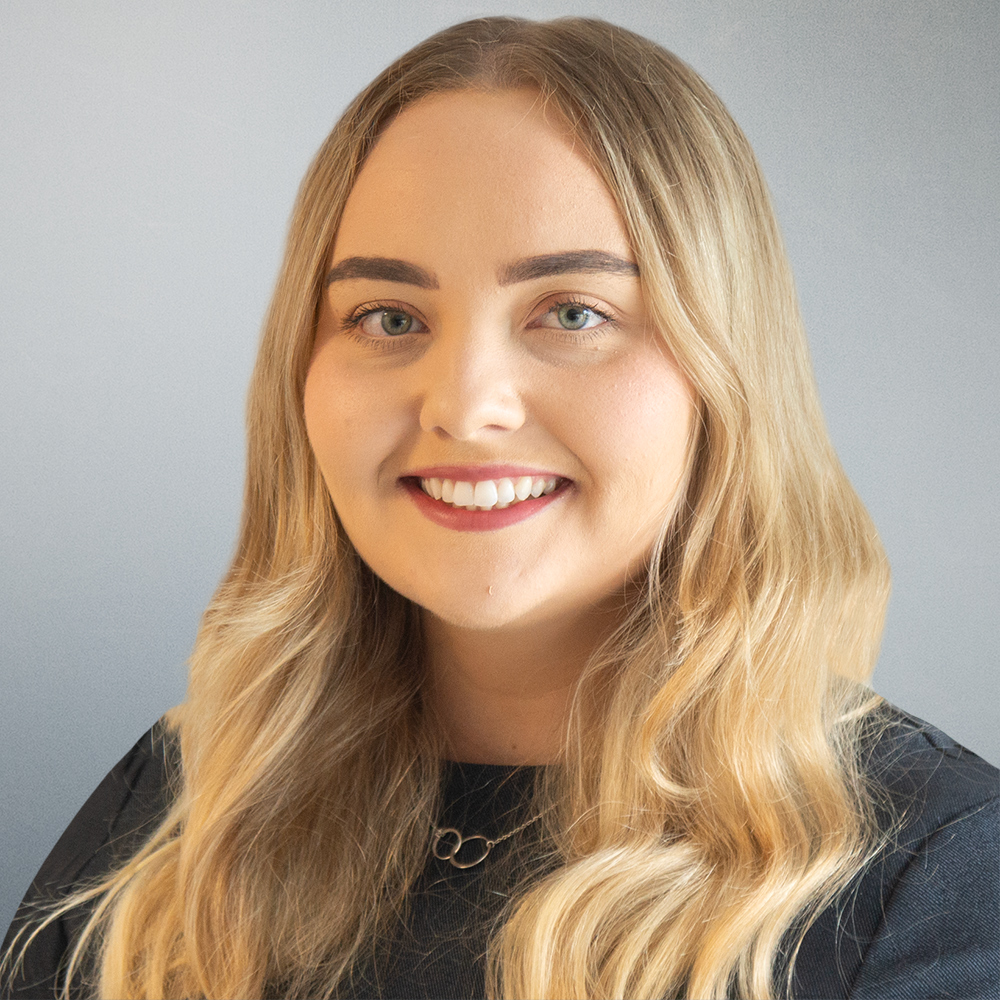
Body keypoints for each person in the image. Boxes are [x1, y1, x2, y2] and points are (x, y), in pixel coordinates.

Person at [2, 15, 997, 1000]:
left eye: (572, 312)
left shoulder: (934, 879)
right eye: (389, 317)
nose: (464, 405)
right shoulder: (174, 817)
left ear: (725, 371)